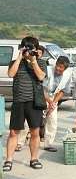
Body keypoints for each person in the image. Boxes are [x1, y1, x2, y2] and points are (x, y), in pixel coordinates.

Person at [3, 36, 47, 171]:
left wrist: (33, 61)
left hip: (34, 103)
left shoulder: (40, 63)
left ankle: (34, 159)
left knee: (35, 132)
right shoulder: (15, 62)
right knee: (13, 132)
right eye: (26, 48)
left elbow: (41, 77)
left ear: (36, 49)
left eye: (31, 48)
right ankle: (9, 160)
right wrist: (19, 57)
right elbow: (11, 74)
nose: (29, 51)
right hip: (19, 101)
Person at [43, 55, 71, 152]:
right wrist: (49, 101)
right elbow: (41, 88)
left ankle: (48, 144)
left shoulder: (67, 75)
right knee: (31, 119)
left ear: (65, 68)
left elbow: (63, 91)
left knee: (52, 120)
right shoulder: (47, 70)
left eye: (61, 68)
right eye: (57, 66)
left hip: (53, 97)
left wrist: (53, 103)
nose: (58, 69)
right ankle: (20, 142)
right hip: (42, 95)